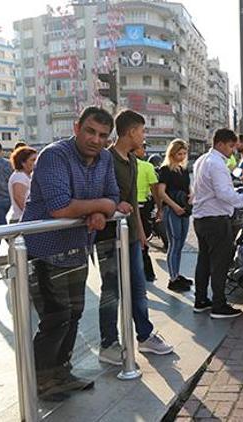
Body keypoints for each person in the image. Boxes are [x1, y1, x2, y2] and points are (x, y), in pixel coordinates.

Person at [22, 106, 119, 399]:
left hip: (78, 250)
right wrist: (100, 207)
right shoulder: (55, 155)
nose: (95, 139)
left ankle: (62, 373)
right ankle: (41, 380)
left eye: (103, 135)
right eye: (90, 131)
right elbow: (60, 207)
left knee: (74, 314)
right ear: (77, 127)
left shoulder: (104, 158)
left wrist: (101, 211)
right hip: (44, 252)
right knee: (56, 317)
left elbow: (114, 198)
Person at [95, 110, 173, 366]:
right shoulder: (105, 158)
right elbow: (101, 195)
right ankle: (108, 343)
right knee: (111, 291)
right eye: (142, 130)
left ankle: (145, 335)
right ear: (131, 131)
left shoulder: (134, 161)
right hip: (108, 237)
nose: (144, 135)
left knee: (138, 289)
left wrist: (141, 233)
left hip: (130, 235)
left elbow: (133, 202)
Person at [191, 129, 243, 318]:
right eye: (231, 146)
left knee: (204, 261)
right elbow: (224, 194)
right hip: (216, 220)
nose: (233, 150)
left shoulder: (202, 161)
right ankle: (219, 305)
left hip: (202, 219)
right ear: (220, 144)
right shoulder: (216, 163)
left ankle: (200, 300)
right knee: (220, 262)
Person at [156, 139, 193, 292]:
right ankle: (172, 278)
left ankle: (177, 275)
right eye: (179, 153)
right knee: (174, 243)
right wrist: (175, 206)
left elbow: (188, 187)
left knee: (180, 243)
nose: (182, 156)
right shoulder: (165, 170)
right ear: (172, 153)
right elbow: (161, 193)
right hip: (172, 210)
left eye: (184, 153)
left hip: (184, 208)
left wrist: (191, 195)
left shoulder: (183, 169)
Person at [135, 141, 159, 282]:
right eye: (142, 147)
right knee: (143, 241)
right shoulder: (147, 166)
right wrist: (159, 208)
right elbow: (155, 189)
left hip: (127, 209)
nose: (144, 150)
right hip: (143, 208)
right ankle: (147, 273)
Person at [7, 146, 37, 223]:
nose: (36, 162)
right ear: (23, 163)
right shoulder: (19, 177)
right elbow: (19, 198)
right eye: (33, 160)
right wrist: (32, 216)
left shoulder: (27, 176)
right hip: (21, 219)